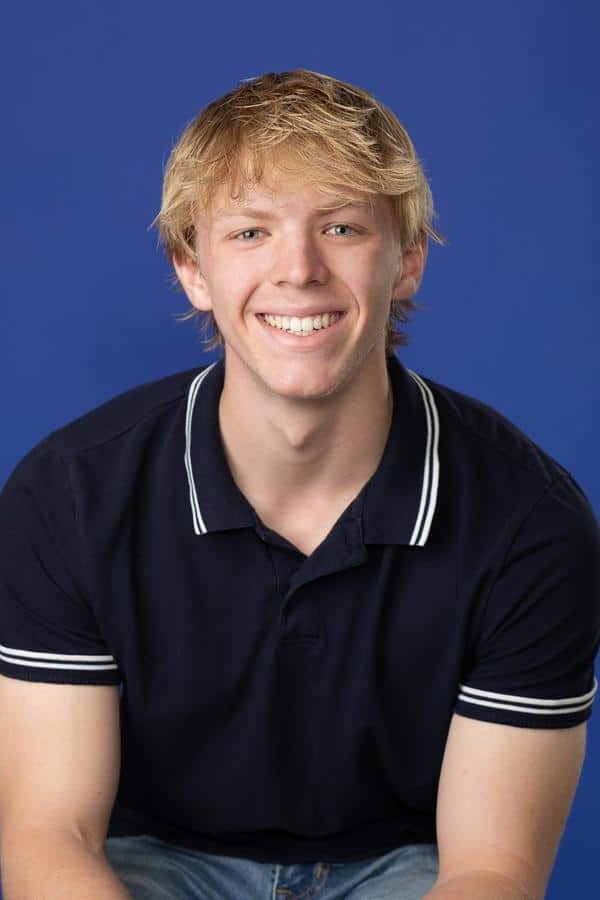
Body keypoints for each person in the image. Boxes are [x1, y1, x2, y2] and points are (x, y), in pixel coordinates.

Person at [0, 68, 598, 900]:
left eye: (343, 227)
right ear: (192, 268)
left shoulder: (530, 521)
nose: (300, 270)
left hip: (406, 869)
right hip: (156, 864)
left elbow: (492, 866)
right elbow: (47, 837)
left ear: (409, 259)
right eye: (250, 233)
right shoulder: (67, 495)